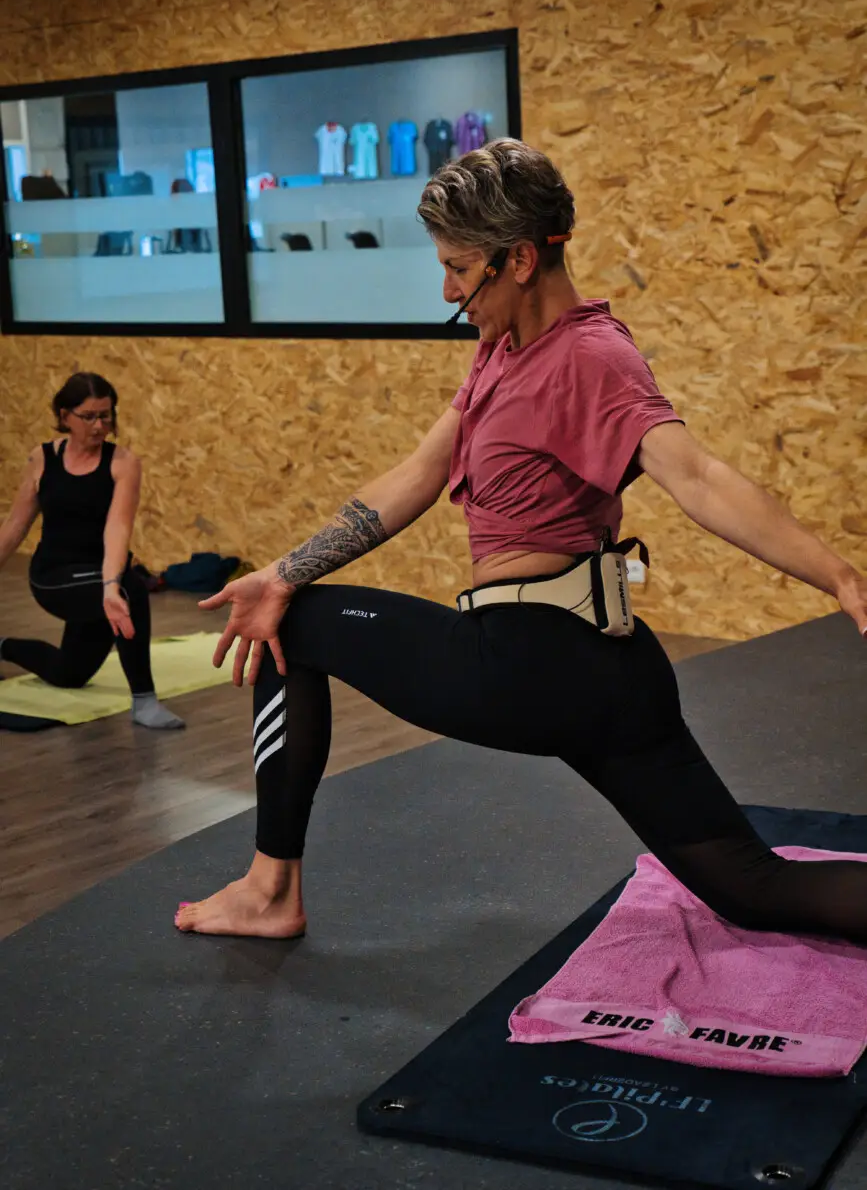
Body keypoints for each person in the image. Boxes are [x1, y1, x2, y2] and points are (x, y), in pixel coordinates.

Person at [175, 139, 867, 941]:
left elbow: (698, 477)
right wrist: (282, 570)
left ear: (522, 259)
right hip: (612, 670)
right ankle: (268, 889)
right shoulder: (501, 349)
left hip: (530, 661)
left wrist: (839, 576)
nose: (448, 290)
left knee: (293, 629)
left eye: (460, 269)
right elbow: (419, 473)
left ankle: (270, 890)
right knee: (753, 890)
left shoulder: (589, 357)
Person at [0, 372, 184, 730]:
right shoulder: (42, 459)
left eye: (106, 415)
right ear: (65, 415)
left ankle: (2, 646)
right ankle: (144, 701)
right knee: (133, 589)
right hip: (53, 578)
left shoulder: (123, 463)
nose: (100, 425)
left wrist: (110, 584)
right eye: (89, 416)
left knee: (69, 673)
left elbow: (118, 527)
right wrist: (117, 585)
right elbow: (14, 527)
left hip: (98, 580)